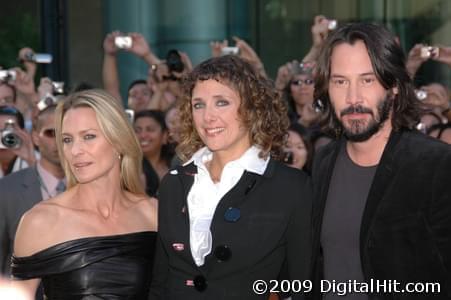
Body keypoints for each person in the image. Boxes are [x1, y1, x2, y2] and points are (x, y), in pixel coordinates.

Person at [150, 55, 312, 299]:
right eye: (199, 104)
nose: (208, 117)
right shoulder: (174, 182)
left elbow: (302, 286)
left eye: (221, 102)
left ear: (250, 107)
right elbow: (161, 283)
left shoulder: (291, 187)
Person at [311, 22, 451, 299]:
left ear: (394, 86)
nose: (353, 98)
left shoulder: (436, 165)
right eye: (340, 81)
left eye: (367, 80)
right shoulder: (324, 160)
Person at [10, 89, 158, 299]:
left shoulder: (152, 212)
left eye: (88, 137)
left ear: (119, 140)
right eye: (68, 140)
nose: (75, 150)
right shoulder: (41, 221)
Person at [133, 109, 174, 196]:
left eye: (150, 130)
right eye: (137, 130)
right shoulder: (127, 169)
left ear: (165, 136)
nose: (143, 135)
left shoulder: (177, 164)